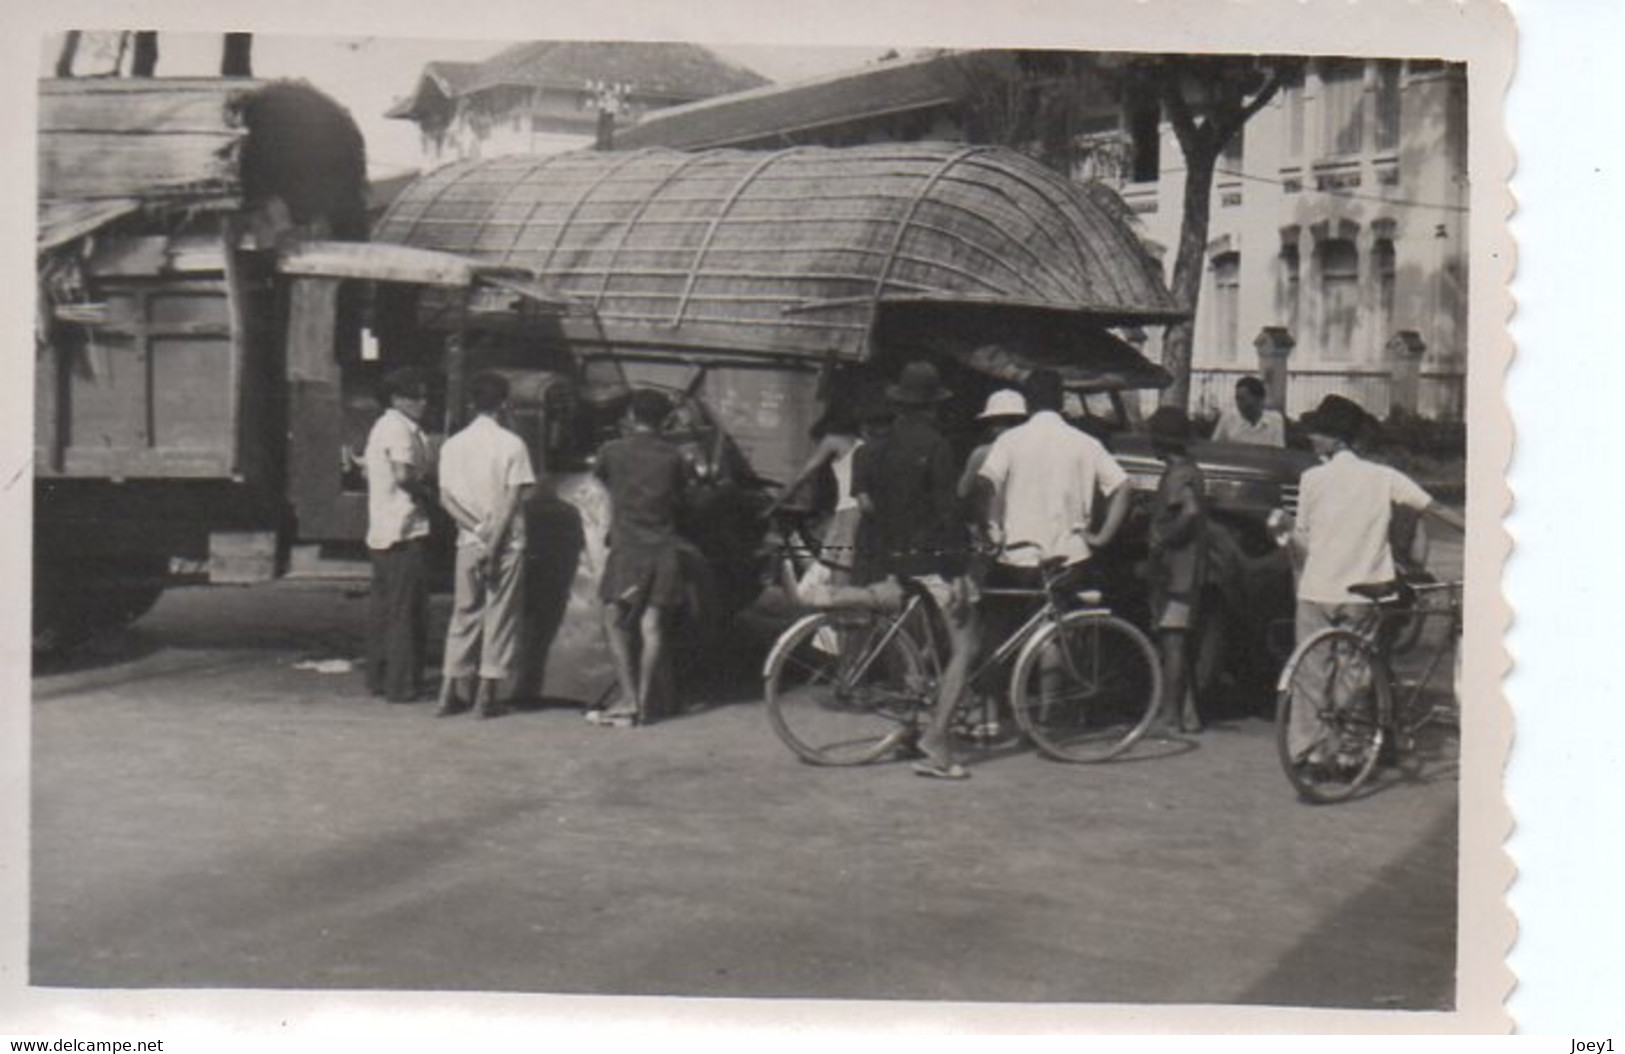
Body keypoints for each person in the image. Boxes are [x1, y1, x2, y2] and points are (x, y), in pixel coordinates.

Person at [1280, 394, 1467, 772]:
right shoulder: (1384, 477)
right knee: (1355, 672)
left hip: (1317, 589)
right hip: (1363, 591)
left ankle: (1312, 752)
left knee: (1311, 672)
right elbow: (1435, 509)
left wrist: (1283, 536)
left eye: (1318, 434)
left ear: (1333, 439)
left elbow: (1304, 540)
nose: (1313, 440)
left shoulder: (1311, 479)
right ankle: (1351, 752)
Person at [851, 361, 977, 780]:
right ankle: (937, 741)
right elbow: (947, 513)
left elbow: (872, 508)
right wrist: (958, 568)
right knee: (965, 647)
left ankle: (908, 729)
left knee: (914, 643)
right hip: (928, 561)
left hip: (891, 557)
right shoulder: (937, 446)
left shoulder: (875, 448)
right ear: (933, 405)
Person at [434, 372, 537, 719]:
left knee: (464, 614)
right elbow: (512, 501)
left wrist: (477, 530)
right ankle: (485, 697)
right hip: (507, 544)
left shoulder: (452, 445)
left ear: (470, 404)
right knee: (500, 617)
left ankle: (447, 691)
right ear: (505, 404)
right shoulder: (512, 445)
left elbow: (446, 499)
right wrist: (494, 543)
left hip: (467, 541)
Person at [975, 369, 1132, 587]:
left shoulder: (1009, 441)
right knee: (1066, 616)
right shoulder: (1086, 443)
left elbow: (985, 482)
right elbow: (1123, 486)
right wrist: (1101, 537)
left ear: (1027, 403)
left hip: (1018, 555)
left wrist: (991, 527)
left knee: (1010, 616)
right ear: (1061, 402)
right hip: (1071, 555)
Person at [593, 388, 689, 729]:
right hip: (663, 548)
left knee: (612, 619)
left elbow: (600, 481)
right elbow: (681, 496)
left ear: (631, 417)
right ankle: (646, 704)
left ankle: (629, 698)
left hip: (627, 549)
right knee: (652, 625)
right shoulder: (674, 456)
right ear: (663, 420)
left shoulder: (612, 451)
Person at [363, 368, 433, 703]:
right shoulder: (399, 429)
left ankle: (378, 677)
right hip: (404, 529)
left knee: (385, 608)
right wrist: (431, 495)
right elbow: (404, 475)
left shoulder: (382, 426)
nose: (423, 401)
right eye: (415, 396)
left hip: (382, 529)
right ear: (397, 399)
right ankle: (402, 685)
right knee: (408, 609)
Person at [1142, 407, 1209, 735]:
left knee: (1173, 642)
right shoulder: (1187, 471)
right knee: (1180, 641)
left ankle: (1170, 716)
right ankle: (1188, 712)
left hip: (1176, 571)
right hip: (1185, 569)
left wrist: (1161, 539)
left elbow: (1190, 512)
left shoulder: (1179, 476)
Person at [767, 402, 864, 597]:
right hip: (860, 510)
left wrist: (774, 504)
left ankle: (832, 612)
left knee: (833, 571)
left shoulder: (833, 440)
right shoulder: (862, 443)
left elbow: (804, 474)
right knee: (836, 565)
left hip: (847, 511)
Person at [1212, 376, 1286, 446]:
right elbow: (1215, 449)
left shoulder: (1275, 420)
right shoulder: (1227, 419)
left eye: (1243, 399)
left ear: (1259, 399)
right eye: (1237, 399)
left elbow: (1278, 452)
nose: (1238, 403)